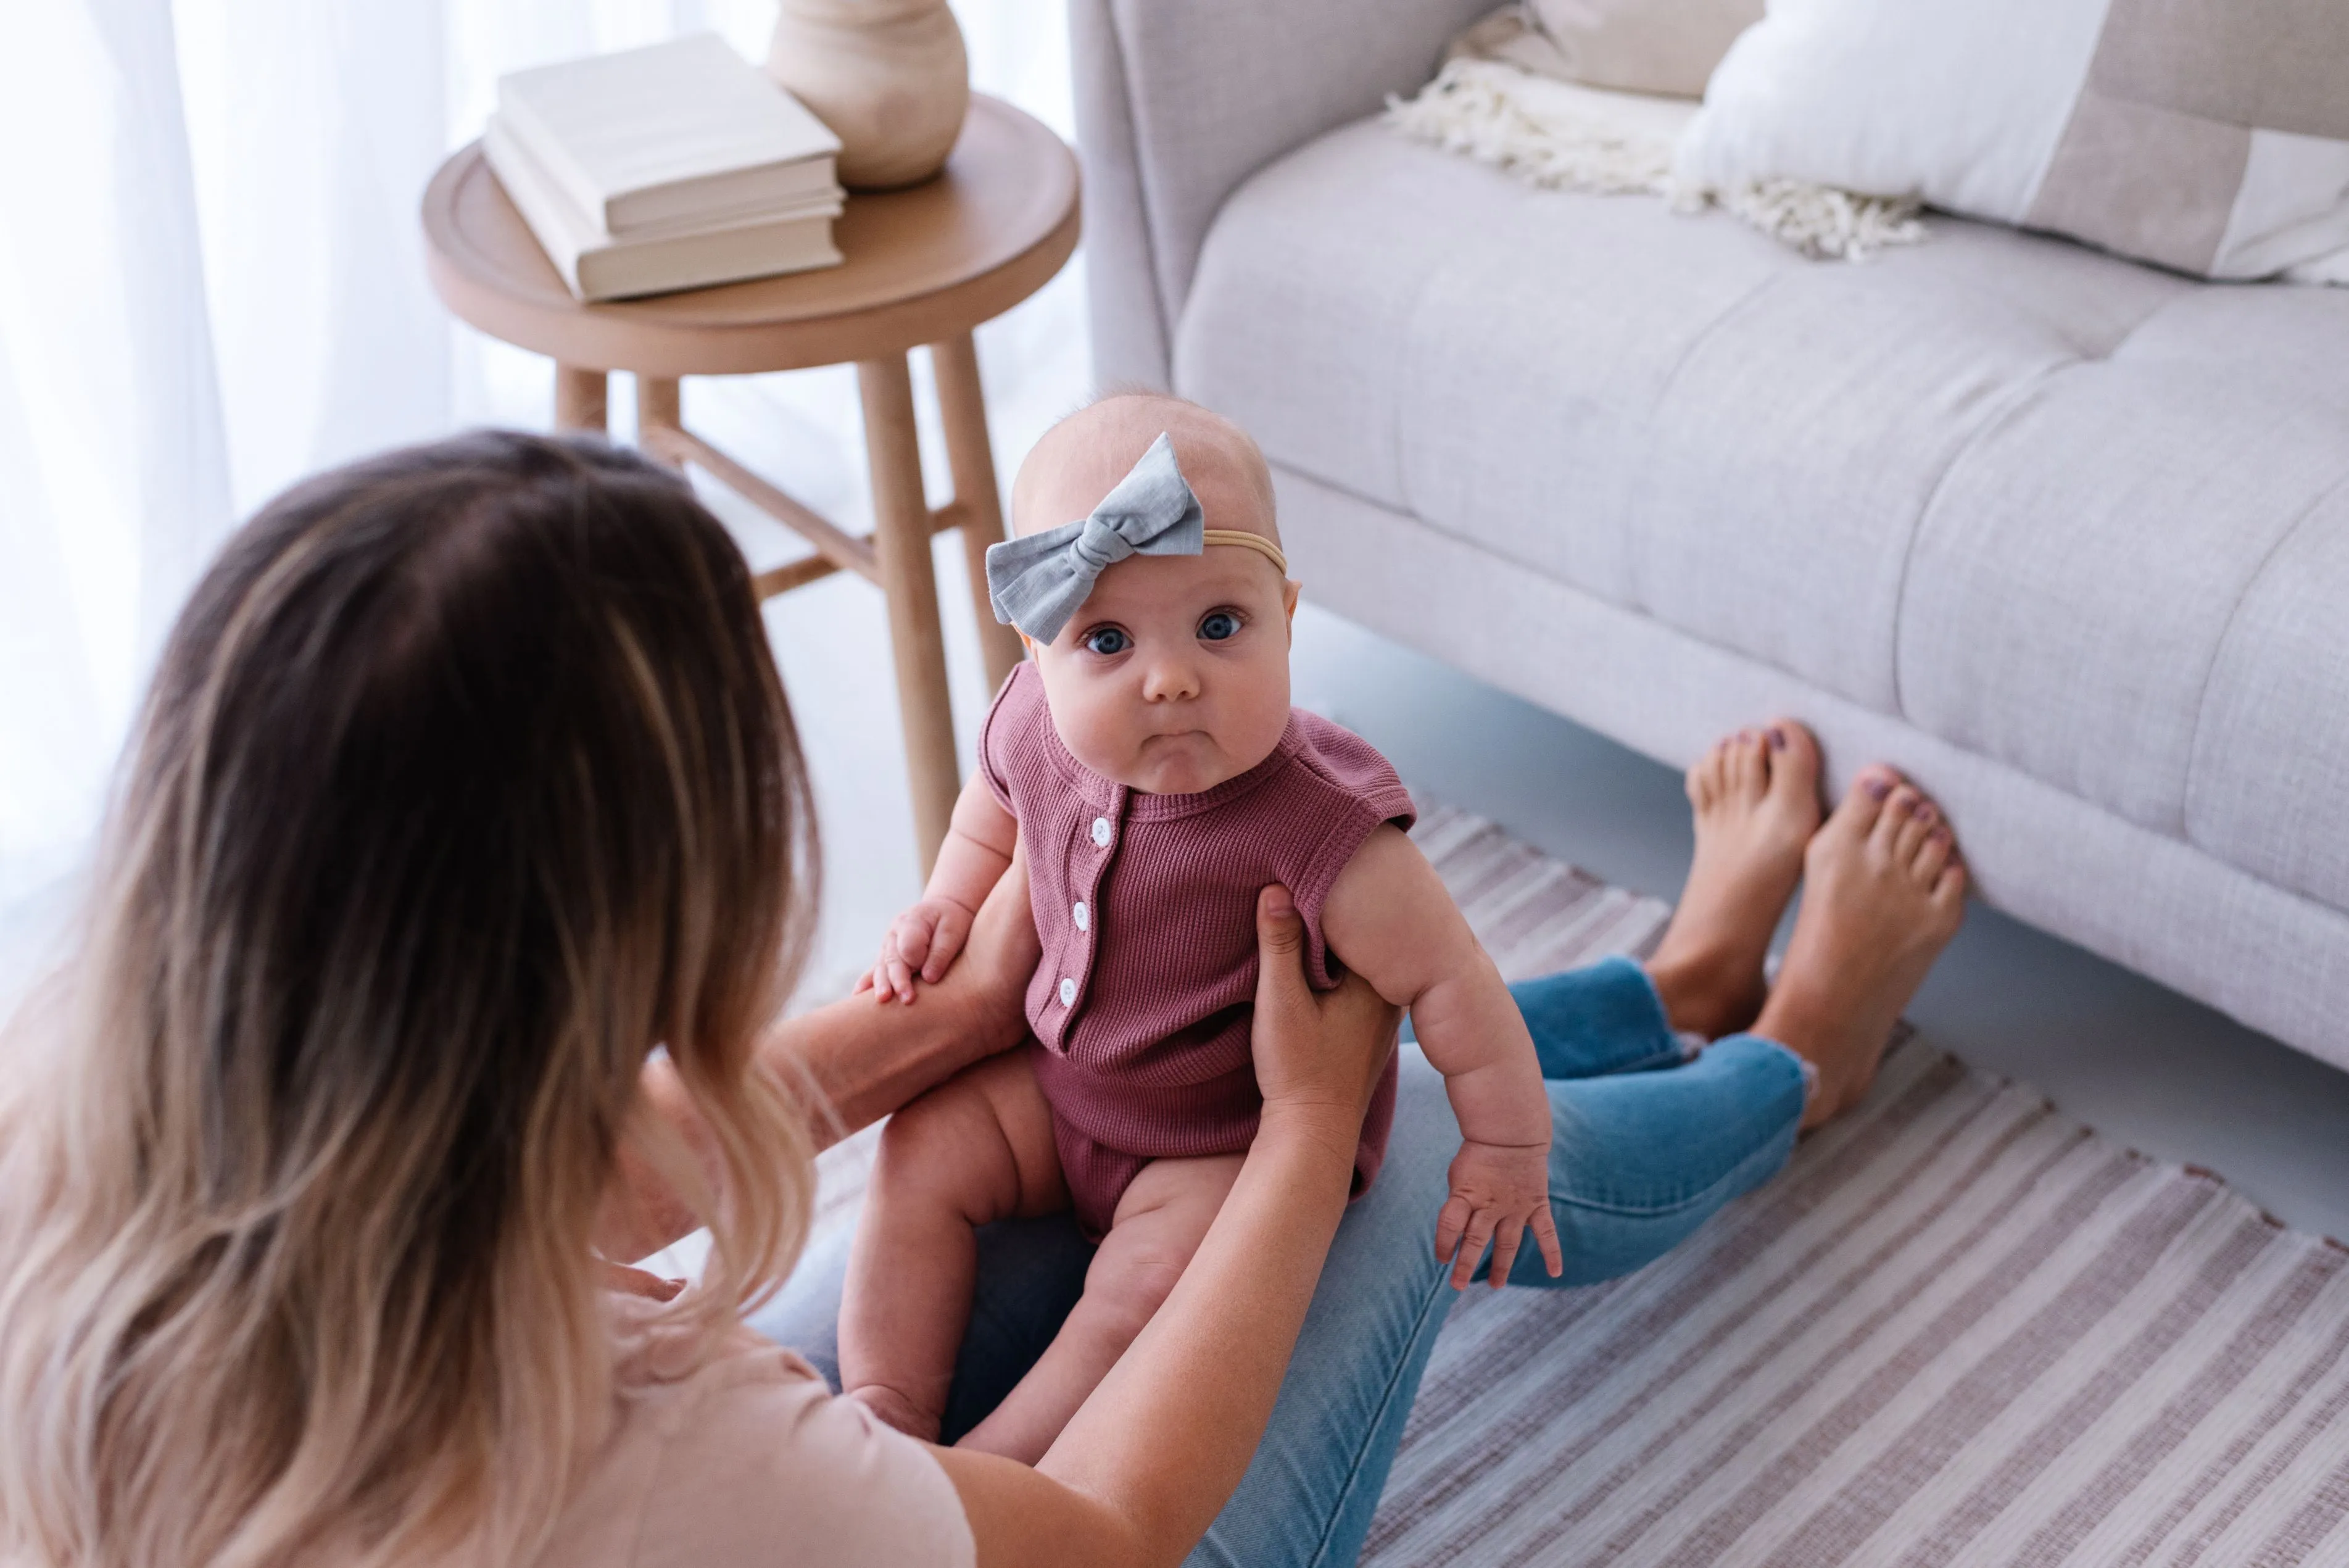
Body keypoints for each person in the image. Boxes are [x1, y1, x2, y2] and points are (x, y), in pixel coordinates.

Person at [0, 427, 1964, 1568]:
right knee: (1406, 1128)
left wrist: (961, 1009)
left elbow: (548, 1180)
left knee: (1074, 1162)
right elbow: (1097, 1544)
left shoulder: (67, 1109)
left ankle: (1664, 979)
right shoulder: (657, 1456)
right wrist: (1293, 1132)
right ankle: (1788, 1055)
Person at [840, 404, 1564, 1461]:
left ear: (1287, 612)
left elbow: (1452, 982)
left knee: (1141, 1303)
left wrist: (1504, 1147)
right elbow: (983, 814)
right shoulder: (1029, 722)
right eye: (1106, 640)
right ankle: (881, 1408)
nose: (1170, 678)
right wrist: (948, 906)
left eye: (1219, 627)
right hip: (1057, 1089)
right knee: (918, 1148)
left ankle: (982, 1477)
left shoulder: (1323, 827)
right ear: (1036, 651)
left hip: (1215, 1143)